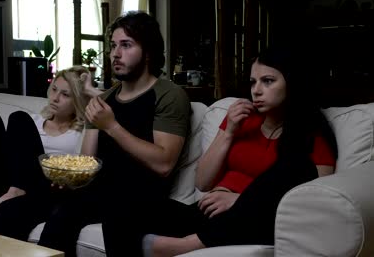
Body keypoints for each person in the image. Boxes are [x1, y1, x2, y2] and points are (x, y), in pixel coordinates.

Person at [102, 45, 339, 256]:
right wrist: (229, 131)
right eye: (253, 82)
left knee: (294, 166)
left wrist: (242, 201)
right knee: (120, 207)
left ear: (293, 81)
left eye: (268, 81)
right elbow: (203, 182)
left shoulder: (311, 136)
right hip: (208, 213)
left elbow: (310, 203)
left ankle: (186, 246)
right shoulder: (240, 120)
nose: (256, 90)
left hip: (256, 220)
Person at [0, 10, 191, 257]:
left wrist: (112, 126)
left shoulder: (169, 95)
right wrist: (68, 177)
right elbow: (87, 162)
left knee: (62, 219)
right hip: (94, 192)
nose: (115, 53)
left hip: (135, 198)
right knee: (11, 210)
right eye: (114, 46)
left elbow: (164, 163)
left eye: (126, 45)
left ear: (148, 52)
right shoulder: (105, 98)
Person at [0, 66, 100, 221]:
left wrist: (91, 94)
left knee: (19, 117)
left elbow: (85, 165)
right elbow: (10, 152)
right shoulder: (33, 121)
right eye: (54, 89)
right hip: (9, 180)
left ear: (78, 100)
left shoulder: (82, 131)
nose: (55, 98)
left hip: (42, 186)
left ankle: (17, 190)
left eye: (65, 94)